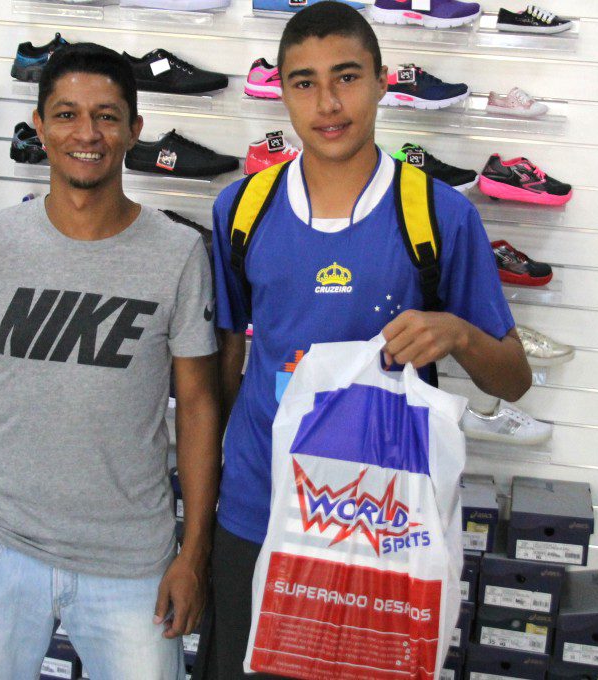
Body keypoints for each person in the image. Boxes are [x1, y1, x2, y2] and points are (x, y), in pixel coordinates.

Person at [201, 4, 532, 678]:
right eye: (305, 83)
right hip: (259, 512)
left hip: (381, 525)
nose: (328, 103)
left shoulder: (440, 214)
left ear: (383, 82)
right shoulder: (241, 209)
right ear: (282, 91)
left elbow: (513, 379)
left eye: (347, 77)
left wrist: (458, 333)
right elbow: (227, 364)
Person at [0, 43, 221, 679]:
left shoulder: (179, 253)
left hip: (132, 563)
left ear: (135, 129)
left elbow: (196, 407)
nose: (87, 134)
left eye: (107, 116)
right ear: (39, 125)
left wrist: (193, 554)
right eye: (66, 114)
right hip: (0, 548)